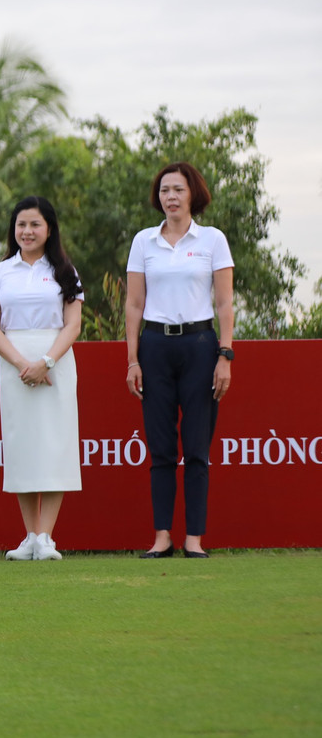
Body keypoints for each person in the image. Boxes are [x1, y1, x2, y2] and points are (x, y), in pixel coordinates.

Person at [125, 161, 234, 559]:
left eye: (178, 190)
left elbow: (224, 302)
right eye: (165, 190)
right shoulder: (143, 242)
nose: (170, 197)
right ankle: (162, 537)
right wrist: (132, 360)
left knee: (197, 448)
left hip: (200, 345)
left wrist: (225, 354)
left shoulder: (212, 240)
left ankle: (194, 540)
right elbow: (134, 304)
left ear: (194, 195)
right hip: (154, 346)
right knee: (161, 448)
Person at [0, 196, 84, 561]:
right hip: (13, 365)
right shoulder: (0, 272)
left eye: (35, 224)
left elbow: (73, 324)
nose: (27, 231)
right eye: (21, 224)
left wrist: (46, 362)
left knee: (54, 446)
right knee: (23, 447)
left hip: (55, 361)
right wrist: (22, 363)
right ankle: (29, 537)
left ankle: (46, 538)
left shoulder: (65, 271)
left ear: (49, 229)